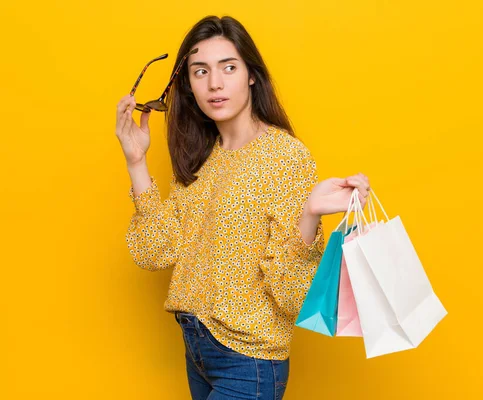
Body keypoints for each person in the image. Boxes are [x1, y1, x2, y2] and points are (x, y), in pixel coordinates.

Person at [115, 15, 370, 400]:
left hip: (247, 361)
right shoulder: (201, 157)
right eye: (200, 72)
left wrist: (309, 215)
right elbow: (154, 250)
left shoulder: (284, 157)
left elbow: (291, 296)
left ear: (251, 75)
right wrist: (136, 162)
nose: (214, 83)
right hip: (197, 352)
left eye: (228, 68)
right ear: (188, 84)